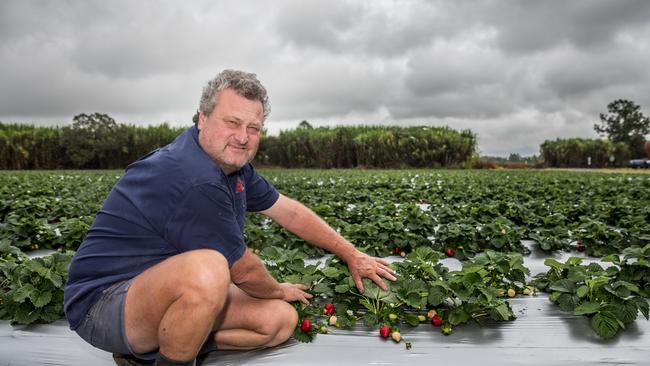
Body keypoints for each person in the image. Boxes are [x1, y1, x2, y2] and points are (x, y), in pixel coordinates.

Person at [63, 69, 396, 366]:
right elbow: (244, 270)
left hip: (160, 289)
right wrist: (277, 289)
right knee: (210, 269)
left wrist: (352, 254)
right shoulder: (190, 174)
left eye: (254, 128)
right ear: (202, 118)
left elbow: (288, 211)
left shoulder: (231, 167)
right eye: (232, 122)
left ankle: (164, 345)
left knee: (279, 321)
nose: (243, 136)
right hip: (102, 305)